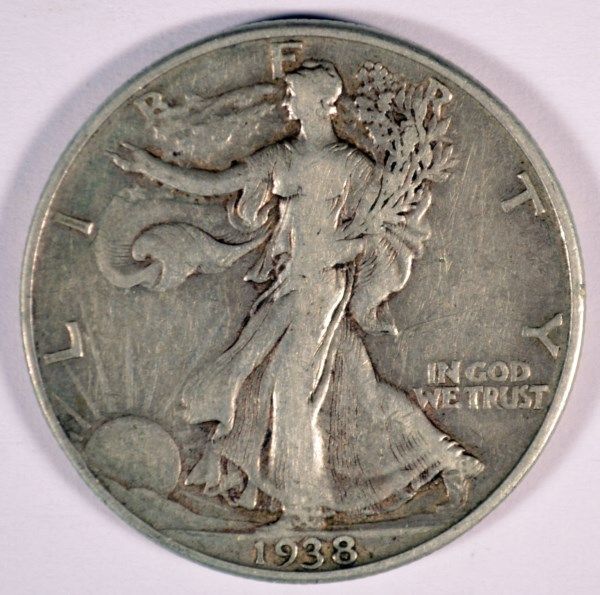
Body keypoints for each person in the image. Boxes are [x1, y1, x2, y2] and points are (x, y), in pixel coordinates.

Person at [107, 60, 483, 528]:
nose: (287, 104)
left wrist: (336, 250)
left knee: (290, 392)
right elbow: (214, 183)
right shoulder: (283, 157)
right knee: (355, 388)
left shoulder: (352, 167)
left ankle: (303, 510)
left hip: (322, 289)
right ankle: (450, 459)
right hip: (289, 286)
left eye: (295, 95)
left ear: (321, 103)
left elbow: (376, 235)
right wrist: (150, 167)